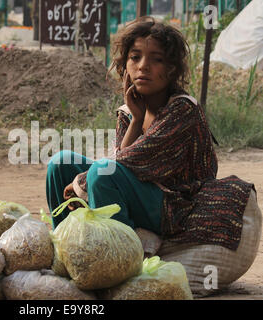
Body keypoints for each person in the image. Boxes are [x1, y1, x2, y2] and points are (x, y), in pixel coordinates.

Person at [46, 16, 255, 252]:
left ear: (171, 69)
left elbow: (130, 163)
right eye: (135, 57)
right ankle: (66, 250)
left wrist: (81, 182)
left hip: (175, 205)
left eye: (156, 60)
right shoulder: (129, 111)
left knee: (101, 175)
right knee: (60, 163)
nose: (143, 66)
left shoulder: (182, 110)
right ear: (125, 65)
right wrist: (136, 120)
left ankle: (119, 259)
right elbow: (120, 162)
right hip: (141, 194)